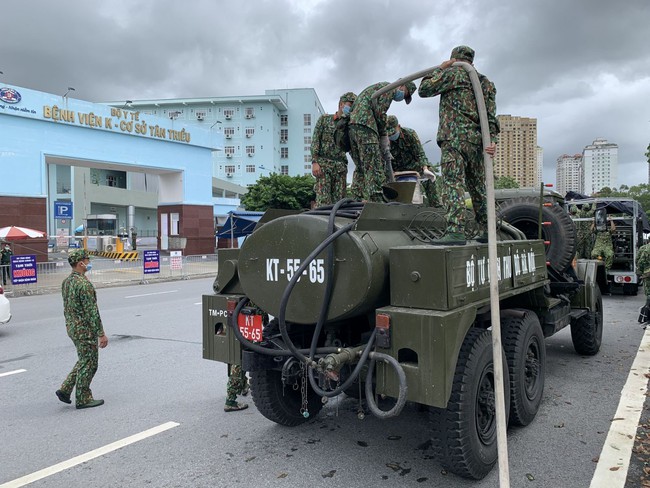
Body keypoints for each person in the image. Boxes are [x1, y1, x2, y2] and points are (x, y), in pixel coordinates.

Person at [418, 45, 499, 244]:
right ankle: (489, 228)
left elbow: (424, 89)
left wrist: (441, 69)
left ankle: (455, 231)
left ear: (454, 59)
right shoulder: (485, 83)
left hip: (453, 138)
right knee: (478, 186)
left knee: (453, 183)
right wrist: (493, 140)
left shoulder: (453, 74)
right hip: (477, 142)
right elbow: (490, 116)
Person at [348, 81, 417, 202]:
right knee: (373, 164)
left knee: (361, 166)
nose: (402, 98)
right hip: (366, 126)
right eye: (405, 94)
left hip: (353, 127)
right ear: (403, 86)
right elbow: (380, 112)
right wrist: (383, 134)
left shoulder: (375, 88)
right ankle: (376, 199)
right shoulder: (389, 88)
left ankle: (356, 199)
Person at [56, 249, 108, 409]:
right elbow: (92, 312)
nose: (89, 263)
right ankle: (83, 397)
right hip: (84, 329)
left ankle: (65, 389)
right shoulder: (83, 284)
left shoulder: (67, 281)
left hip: (72, 327)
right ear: (81, 263)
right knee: (90, 363)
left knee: (84, 359)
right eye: (87, 260)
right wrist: (101, 334)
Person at [311, 92, 357, 206]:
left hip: (340, 168)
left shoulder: (350, 125)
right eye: (350, 105)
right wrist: (315, 161)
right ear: (341, 104)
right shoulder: (324, 120)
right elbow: (316, 140)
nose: (351, 108)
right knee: (323, 202)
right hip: (324, 167)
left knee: (339, 203)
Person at [386, 115, 439, 207]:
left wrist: (425, 168)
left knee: (430, 174)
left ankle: (436, 205)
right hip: (394, 170)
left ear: (398, 126)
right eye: (389, 134)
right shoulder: (384, 139)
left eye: (393, 132)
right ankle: (388, 206)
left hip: (413, 166)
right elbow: (382, 160)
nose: (391, 135)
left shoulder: (410, 134)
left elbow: (420, 153)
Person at [637, 241, 650, 323]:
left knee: (649, 296)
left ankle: (645, 317)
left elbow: (639, 261)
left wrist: (641, 273)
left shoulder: (644, 248)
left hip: (647, 274)